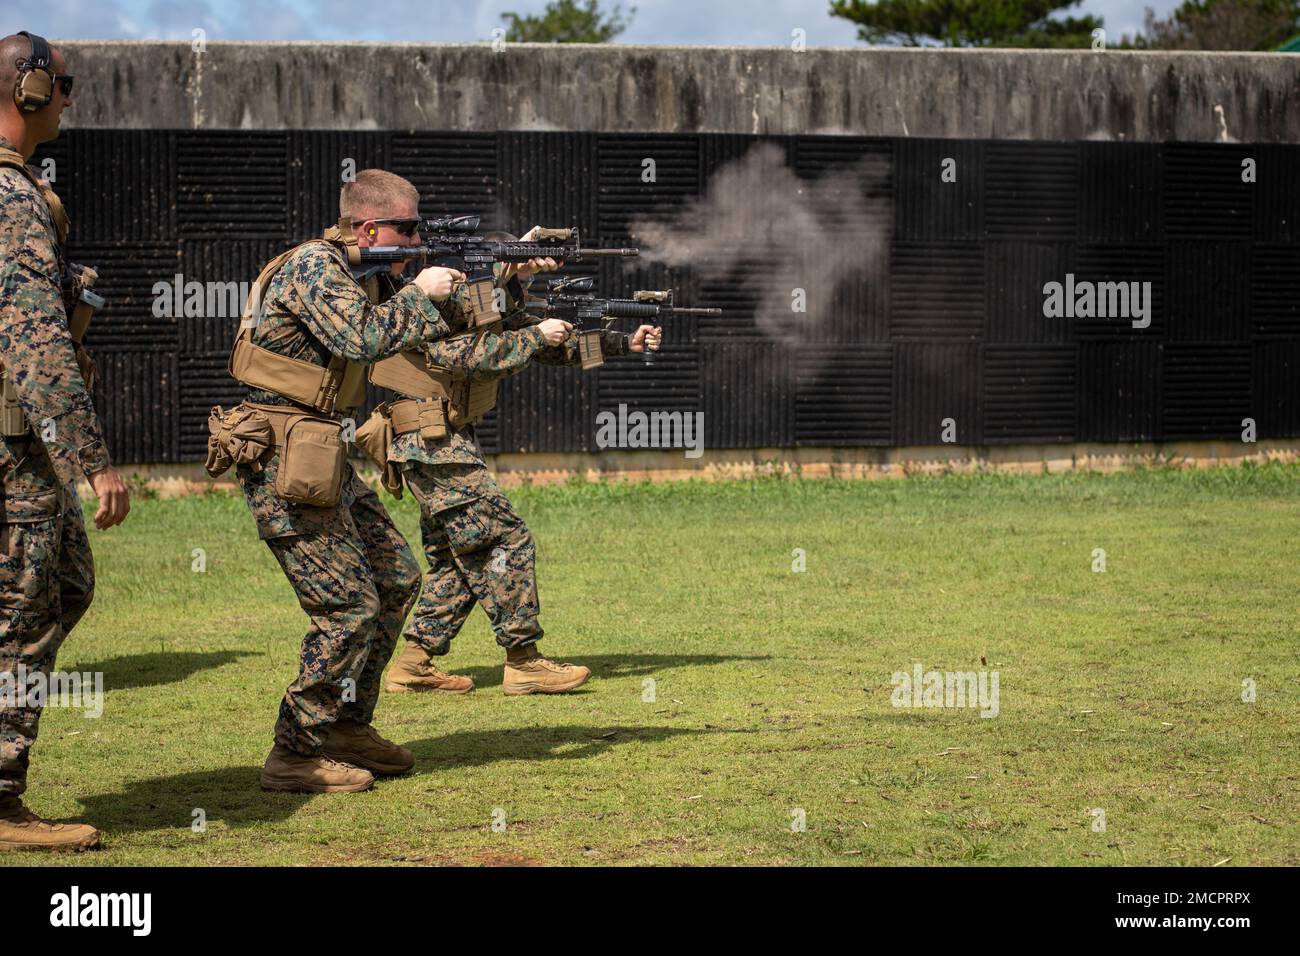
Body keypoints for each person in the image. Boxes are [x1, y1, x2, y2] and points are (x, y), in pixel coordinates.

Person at [219, 168, 462, 794]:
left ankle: (346, 724)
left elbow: (443, 335)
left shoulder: (369, 274)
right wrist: (419, 294)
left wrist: (508, 289)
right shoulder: (314, 267)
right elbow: (361, 337)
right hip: (282, 450)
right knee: (347, 604)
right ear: (369, 227)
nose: (417, 241)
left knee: (396, 576)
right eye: (408, 229)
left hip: (321, 445)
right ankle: (294, 751)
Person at [362, 232, 661, 696]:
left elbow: (547, 347)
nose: (526, 272)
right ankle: (523, 661)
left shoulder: (494, 304)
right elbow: (463, 357)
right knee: (505, 536)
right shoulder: (439, 297)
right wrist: (531, 332)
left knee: (459, 556)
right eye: (515, 265)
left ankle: (415, 663)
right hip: (428, 437)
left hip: (444, 435)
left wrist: (624, 343)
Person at [0, 31, 130, 850]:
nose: (70, 99)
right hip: (17, 452)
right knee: (22, 616)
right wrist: (91, 460)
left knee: (65, 586)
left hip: (22, 449)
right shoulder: (12, 200)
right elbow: (35, 341)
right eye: (65, 84)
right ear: (31, 88)